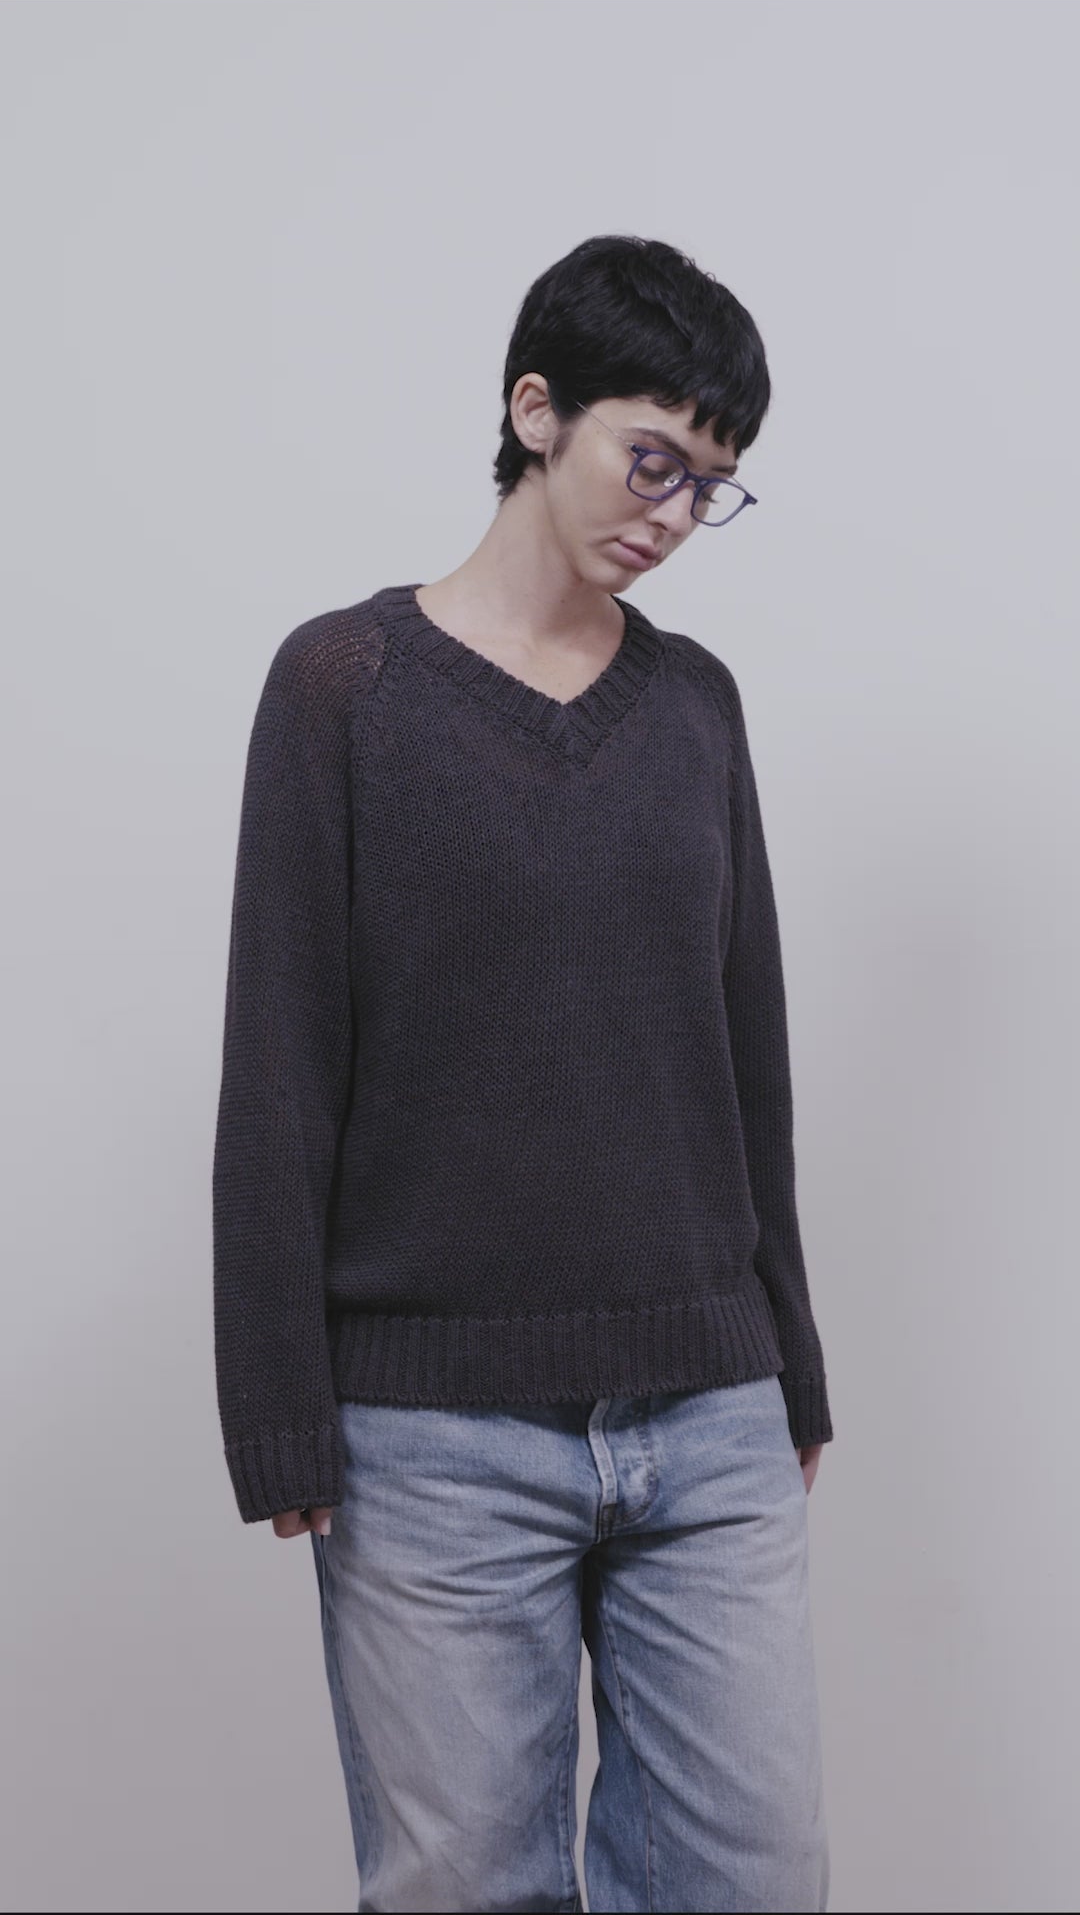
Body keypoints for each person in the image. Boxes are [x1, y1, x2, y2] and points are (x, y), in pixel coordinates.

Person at [212, 232, 834, 1913]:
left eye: (713, 484)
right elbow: (280, 1063)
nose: (675, 513)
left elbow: (746, 1050)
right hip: (431, 1438)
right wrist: (276, 1405)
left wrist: (792, 1360)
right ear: (536, 409)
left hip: (708, 1414)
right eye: (656, 458)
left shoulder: (695, 706)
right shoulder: (344, 689)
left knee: (756, 1882)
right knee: (468, 1892)